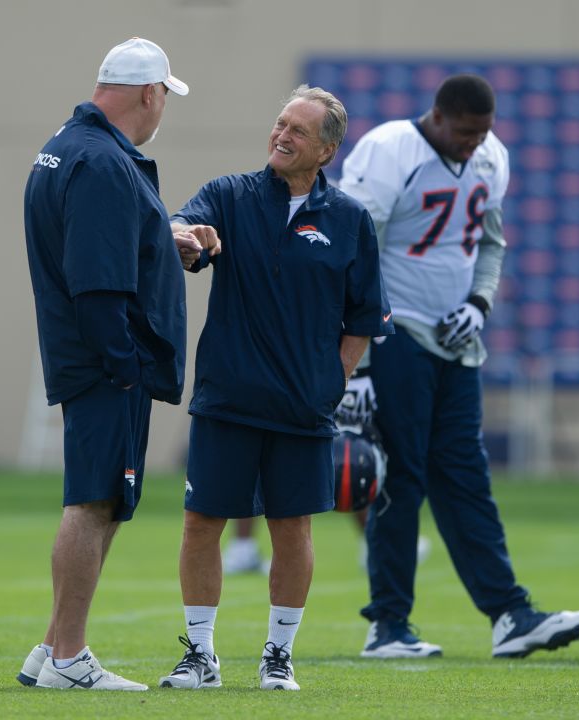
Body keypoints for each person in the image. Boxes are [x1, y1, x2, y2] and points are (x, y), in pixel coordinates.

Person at [335, 74, 579, 660]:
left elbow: (492, 244)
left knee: (465, 477)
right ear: (438, 116)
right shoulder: (389, 150)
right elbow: (354, 249)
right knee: (399, 479)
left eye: (484, 132)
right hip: (395, 330)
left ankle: (509, 614)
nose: (475, 143)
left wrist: (480, 304)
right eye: (466, 132)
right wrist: (361, 361)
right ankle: (388, 624)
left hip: (455, 343)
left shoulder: (490, 156)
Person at [158, 85, 393, 691]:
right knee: (200, 524)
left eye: (298, 130)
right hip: (227, 398)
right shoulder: (231, 196)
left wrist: (330, 383)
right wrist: (187, 238)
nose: (282, 136)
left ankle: (278, 657)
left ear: (327, 151)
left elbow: (363, 319)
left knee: (293, 529)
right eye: (280, 123)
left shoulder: (349, 220)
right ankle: (200, 657)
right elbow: (182, 225)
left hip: (302, 408)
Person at [14, 37, 192, 691]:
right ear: (150, 94)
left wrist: (163, 240)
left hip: (88, 356)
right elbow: (96, 282)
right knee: (93, 502)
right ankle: (69, 659)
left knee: (104, 501)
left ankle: (53, 645)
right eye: (164, 97)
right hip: (105, 363)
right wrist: (125, 363)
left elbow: (103, 244)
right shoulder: (102, 162)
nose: (162, 109)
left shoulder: (70, 145)